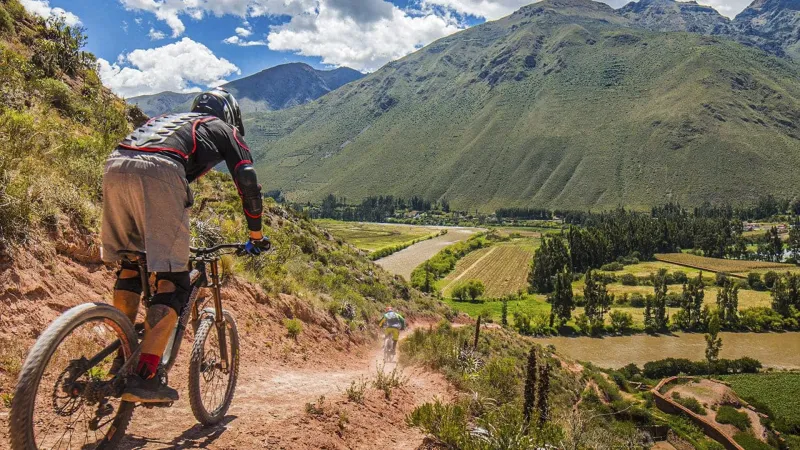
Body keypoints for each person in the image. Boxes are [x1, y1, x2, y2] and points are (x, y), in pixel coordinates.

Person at [101, 88, 270, 403]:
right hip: (161, 171)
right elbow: (246, 178)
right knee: (174, 283)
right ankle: (145, 376)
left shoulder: (166, 121)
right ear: (230, 115)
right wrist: (256, 235)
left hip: (116, 166)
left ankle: (120, 354)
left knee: (130, 265)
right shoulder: (222, 128)